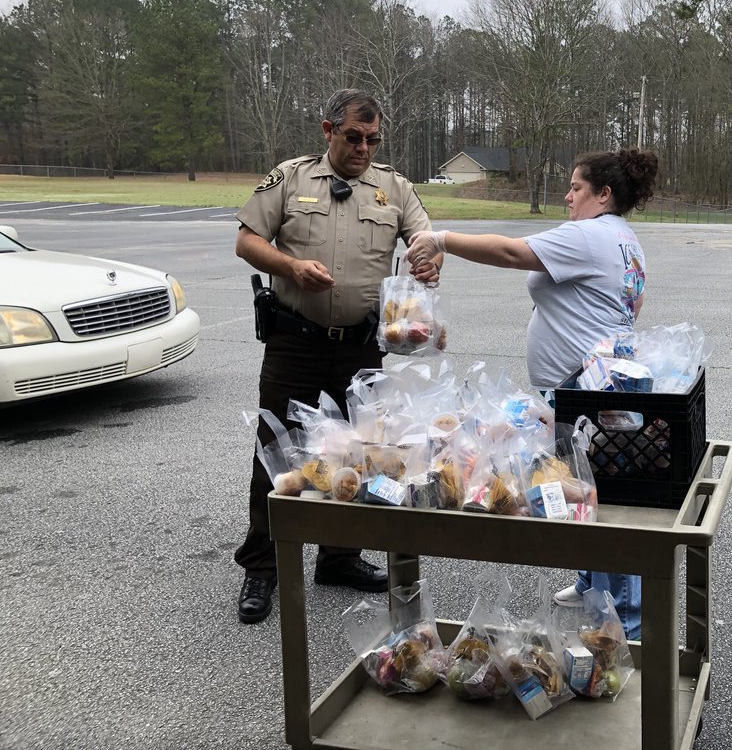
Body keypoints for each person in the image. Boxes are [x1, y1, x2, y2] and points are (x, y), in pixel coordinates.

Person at [404, 147, 658, 638]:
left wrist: (442, 238)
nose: (567, 196)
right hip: (582, 389)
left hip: (585, 394)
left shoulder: (588, 235)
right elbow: (635, 301)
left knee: (596, 493)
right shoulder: (624, 238)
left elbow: (509, 252)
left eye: (576, 187)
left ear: (603, 195)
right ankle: (591, 583)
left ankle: (629, 626)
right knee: (578, 483)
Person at [233, 88, 442, 625]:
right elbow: (247, 240)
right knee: (276, 454)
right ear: (328, 130)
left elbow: (423, 237)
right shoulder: (292, 178)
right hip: (295, 342)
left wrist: (426, 262)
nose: (364, 148)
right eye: (354, 137)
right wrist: (289, 267)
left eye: (373, 139)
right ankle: (263, 567)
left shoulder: (393, 187)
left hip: (361, 349)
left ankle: (340, 555)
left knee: (358, 455)